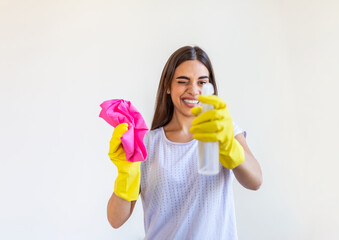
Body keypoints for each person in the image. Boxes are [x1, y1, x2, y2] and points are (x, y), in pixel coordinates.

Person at [106, 46, 262, 239]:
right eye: (183, 81)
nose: (194, 90)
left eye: (202, 82)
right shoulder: (148, 143)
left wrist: (230, 146)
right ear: (168, 86)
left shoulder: (224, 131)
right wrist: (126, 173)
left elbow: (255, 181)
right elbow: (115, 220)